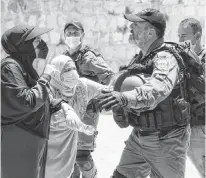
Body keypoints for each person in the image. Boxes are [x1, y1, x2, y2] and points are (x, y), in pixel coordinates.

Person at [98, 8, 191, 178]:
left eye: (136, 25)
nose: (130, 27)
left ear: (150, 32)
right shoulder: (142, 57)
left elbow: (157, 90)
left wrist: (124, 99)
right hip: (141, 135)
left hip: (165, 140)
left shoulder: (165, 58)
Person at [1, 25, 62, 178]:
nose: (39, 42)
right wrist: (46, 77)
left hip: (32, 135)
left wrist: (41, 56)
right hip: (20, 137)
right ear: (22, 46)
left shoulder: (22, 65)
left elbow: (34, 88)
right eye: (33, 40)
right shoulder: (10, 67)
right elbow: (25, 101)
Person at [63, 20, 114, 178]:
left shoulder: (88, 56)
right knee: (70, 155)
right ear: (64, 36)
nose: (72, 36)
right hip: (70, 111)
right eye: (69, 33)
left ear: (82, 35)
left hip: (87, 112)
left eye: (75, 33)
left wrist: (97, 97)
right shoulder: (64, 58)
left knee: (82, 156)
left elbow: (109, 75)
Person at [45, 55, 107, 178]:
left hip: (72, 138)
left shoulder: (81, 86)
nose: (73, 73)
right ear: (56, 73)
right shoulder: (46, 89)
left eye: (74, 68)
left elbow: (107, 91)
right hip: (51, 142)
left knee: (79, 163)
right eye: (67, 70)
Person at [178, 18, 205, 178]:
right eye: (178, 35)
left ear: (197, 36)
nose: (180, 41)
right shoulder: (181, 60)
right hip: (181, 126)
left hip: (200, 128)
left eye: (184, 36)